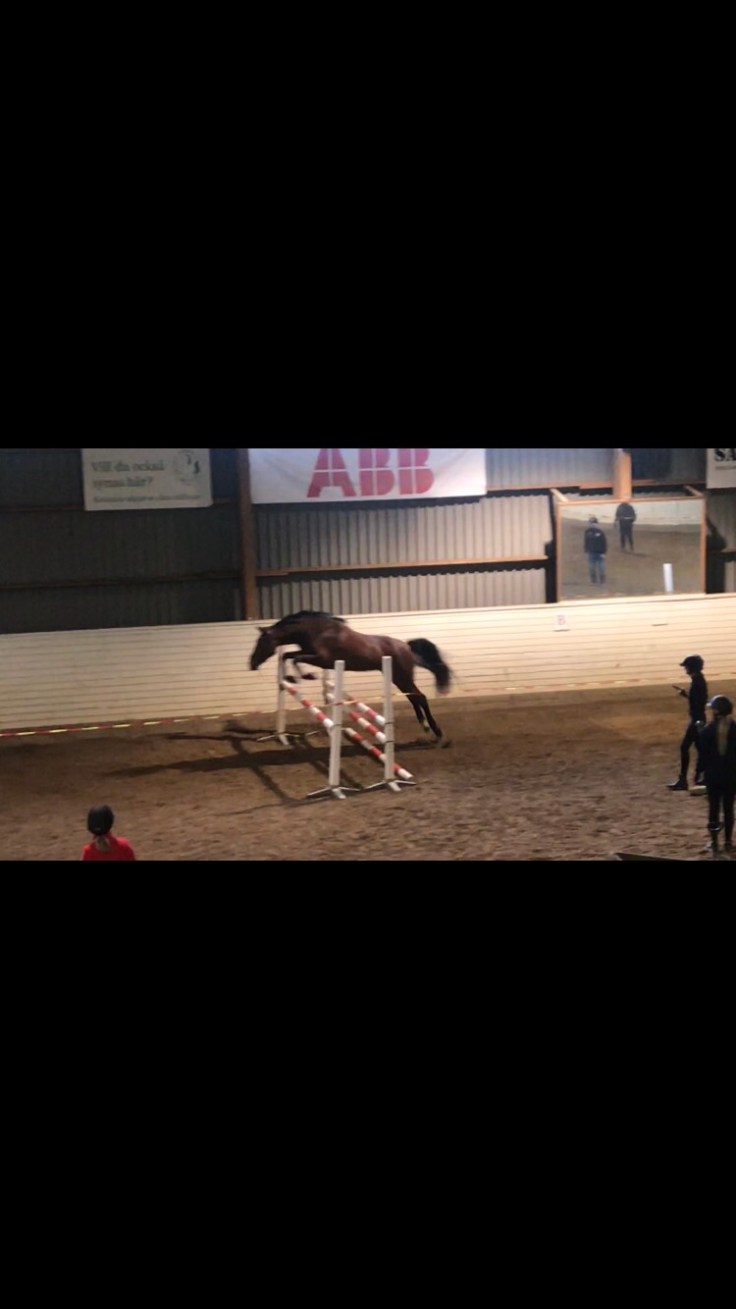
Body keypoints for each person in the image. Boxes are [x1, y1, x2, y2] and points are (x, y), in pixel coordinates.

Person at [697, 696, 736, 855]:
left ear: (717, 711)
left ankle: (714, 841)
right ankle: (728, 841)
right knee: (728, 809)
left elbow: (703, 755)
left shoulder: (708, 730)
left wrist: (698, 773)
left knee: (714, 808)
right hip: (731, 776)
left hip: (713, 775)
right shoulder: (734, 728)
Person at [667, 655, 708, 791]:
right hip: (698, 719)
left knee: (685, 747)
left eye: (686, 667)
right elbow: (698, 701)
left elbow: (698, 703)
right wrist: (685, 695)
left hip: (697, 720)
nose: (685, 669)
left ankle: (683, 779)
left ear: (692, 667)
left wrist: (697, 722)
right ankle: (705, 777)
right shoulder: (698, 680)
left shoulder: (697, 682)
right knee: (701, 750)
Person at [583, 516, 607, 584]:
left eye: (593, 523)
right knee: (591, 567)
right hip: (591, 552)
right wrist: (586, 551)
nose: (592, 524)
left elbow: (604, 542)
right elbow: (586, 542)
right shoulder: (587, 532)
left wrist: (603, 552)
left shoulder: (600, 532)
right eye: (590, 523)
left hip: (600, 553)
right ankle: (593, 580)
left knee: (601, 568)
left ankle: (602, 579)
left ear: (596, 524)